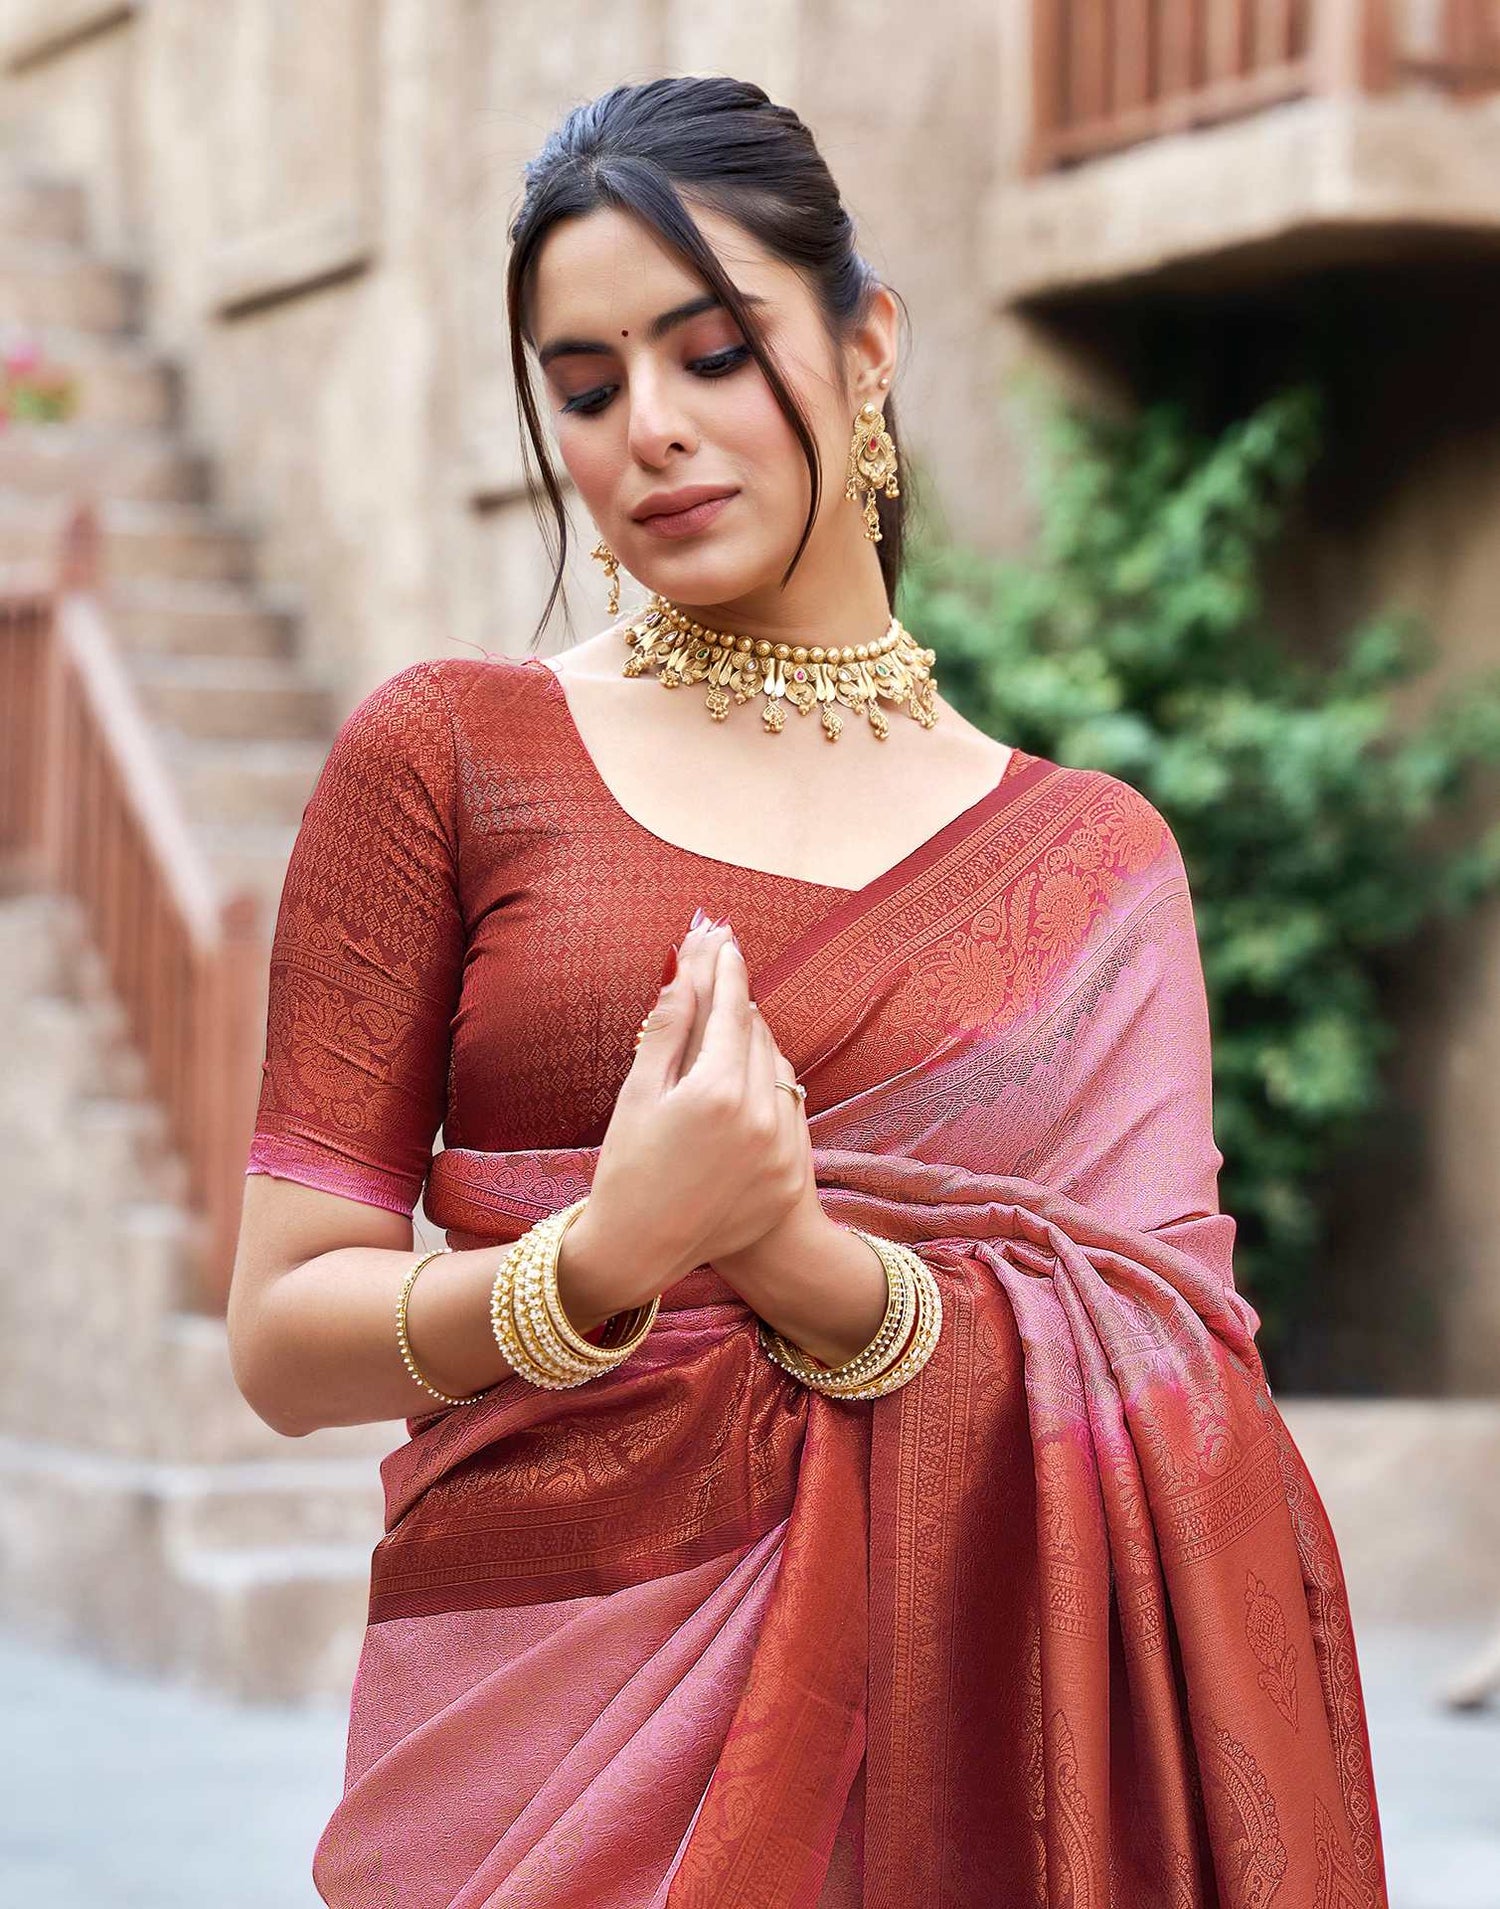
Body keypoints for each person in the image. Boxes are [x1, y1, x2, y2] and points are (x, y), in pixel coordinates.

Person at [227, 74, 1389, 1909]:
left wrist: (794, 1260)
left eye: (713, 352)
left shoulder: (1087, 867)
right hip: (534, 1752)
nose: (653, 435)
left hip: (942, 1776)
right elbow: (284, 1331)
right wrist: (595, 1264)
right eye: (589, 387)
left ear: (868, 350)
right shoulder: (451, 753)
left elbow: (1180, 1381)